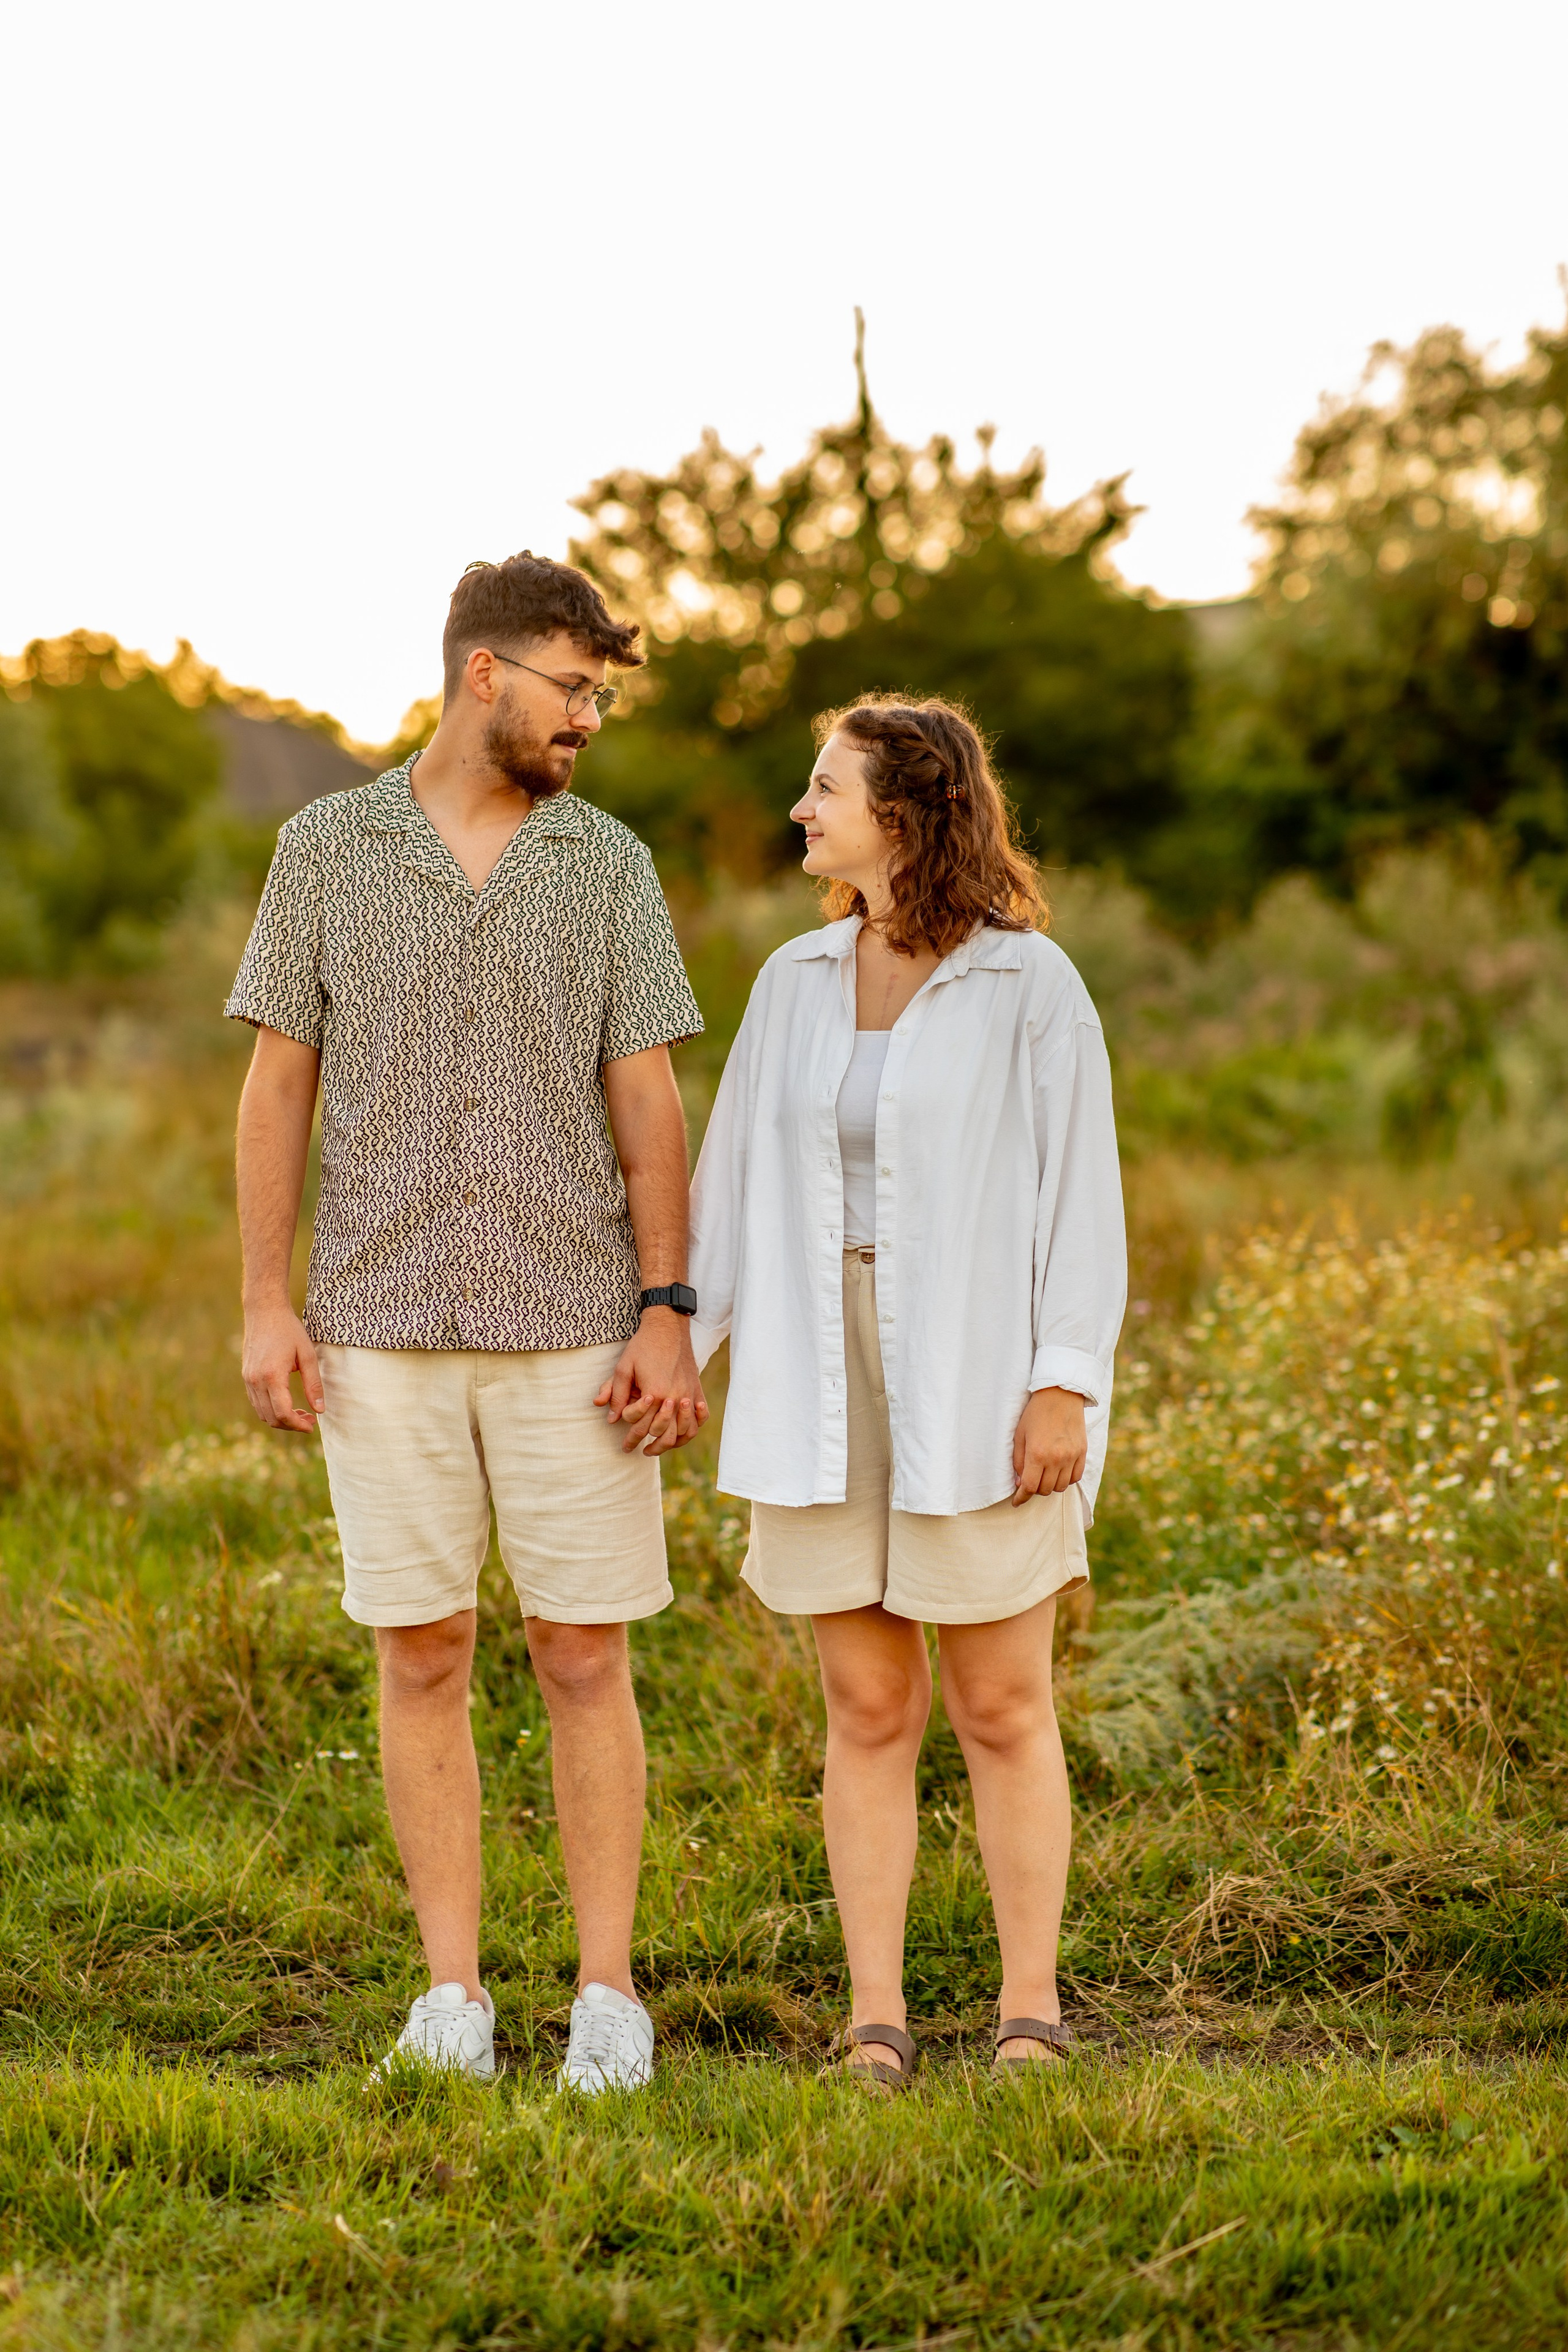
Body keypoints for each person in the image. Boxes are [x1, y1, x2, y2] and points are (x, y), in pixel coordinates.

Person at [228, 552, 706, 2092]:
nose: (590, 720)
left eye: (604, 697)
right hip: (375, 1326)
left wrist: (665, 1310)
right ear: (483, 673)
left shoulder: (608, 865)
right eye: (576, 689)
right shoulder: (326, 847)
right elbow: (277, 1082)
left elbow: (648, 1103)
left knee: (582, 1654)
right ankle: (450, 1997)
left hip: (579, 1333)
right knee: (421, 1650)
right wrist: (262, 1300)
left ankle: (606, 1998)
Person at [688, 695, 1125, 2088]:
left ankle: (1027, 2012)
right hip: (818, 1368)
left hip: (979, 1365)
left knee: (1001, 1703)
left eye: (822, 789)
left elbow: (1084, 1203)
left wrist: (1063, 1384)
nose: (801, 812)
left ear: (904, 809)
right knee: (866, 1709)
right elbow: (728, 1192)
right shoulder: (790, 981)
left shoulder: (1027, 986)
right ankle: (874, 2020)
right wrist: (670, 1349)